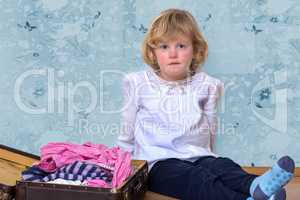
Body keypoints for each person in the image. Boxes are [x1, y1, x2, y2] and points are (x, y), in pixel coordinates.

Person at [117, 8, 295, 200]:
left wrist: (209, 155)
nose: (173, 54)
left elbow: (210, 125)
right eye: (164, 47)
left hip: (198, 155)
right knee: (197, 179)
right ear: (153, 53)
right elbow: (127, 128)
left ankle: (255, 185)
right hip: (158, 164)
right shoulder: (138, 83)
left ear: (195, 50)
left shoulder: (205, 85)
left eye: (181, 46)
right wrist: (123, 167)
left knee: (223, 166)